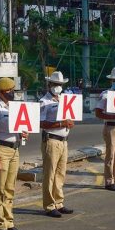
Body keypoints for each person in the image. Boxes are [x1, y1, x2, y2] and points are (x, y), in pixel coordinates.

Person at [0, 77, 28, 230]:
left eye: (13, 90)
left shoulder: (15, 108)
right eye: (8, 91)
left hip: (15, 150)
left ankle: (9, 222)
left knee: (10, 188)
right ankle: (1, 225)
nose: (11, 93)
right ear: (1, 92)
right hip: (2, 150)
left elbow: (19, 128)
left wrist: (23, 133)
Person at [40, 71, 75, 217]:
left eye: (59, 85)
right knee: (50, 174)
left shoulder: (64, 100)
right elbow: (40, 122)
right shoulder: (44, 102)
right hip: (51, 140)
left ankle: (59, 202)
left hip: (64, 141)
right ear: (49, 85)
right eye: (55, 84)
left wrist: (70, 122)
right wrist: (61, 123)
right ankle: (49, 205)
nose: (57, 87)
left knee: (60, 173)